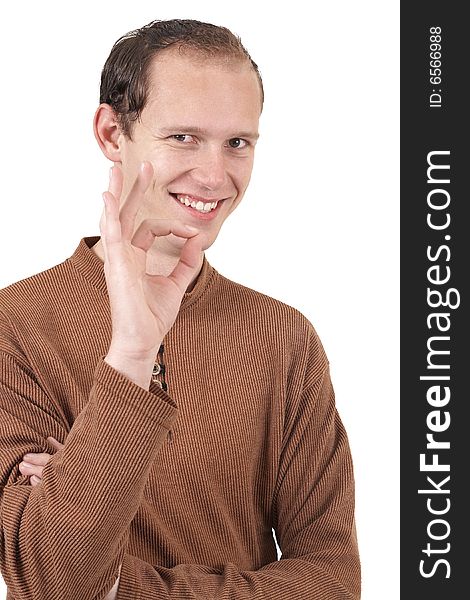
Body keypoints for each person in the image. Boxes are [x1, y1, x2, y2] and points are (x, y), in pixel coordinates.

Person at [0, 18, 361, 599]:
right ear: (112, 133)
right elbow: (55, 580)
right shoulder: (15, 326)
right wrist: (131, 357)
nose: (216, 176)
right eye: (184, 137)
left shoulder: (284, 337)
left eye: (238, 143)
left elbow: (334, 582)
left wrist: (122, 589)